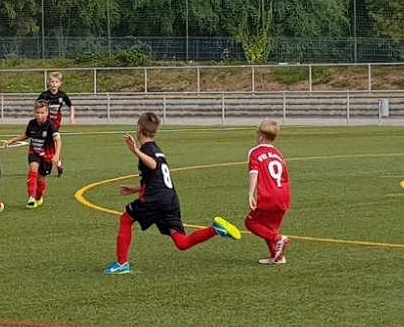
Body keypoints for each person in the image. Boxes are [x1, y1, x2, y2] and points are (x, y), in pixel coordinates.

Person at [103, 112, 240, 274]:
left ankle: (121, 263)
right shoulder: (157, 150)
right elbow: (158, 176)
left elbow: (153, 165)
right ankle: (215, 229)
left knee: (126, 219)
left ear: (138, 128)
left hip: (155, 199)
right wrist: (136, 188)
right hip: (169, 199)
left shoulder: (147, 150)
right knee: (182, 243)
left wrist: (135, 150)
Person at [245, 120, 292, 264]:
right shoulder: (278, 153)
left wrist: (250, 193)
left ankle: (278, 239)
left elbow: (254, 173)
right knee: (268, 226)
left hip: (268, 195)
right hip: (283, 194)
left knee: (250, 223)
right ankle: (278, 257)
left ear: (260, 137)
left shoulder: (255, 152)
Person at [3, 99, 61, 208]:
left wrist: (56, 155)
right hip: (34, 152)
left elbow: (58, 141)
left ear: (47, 113)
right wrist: (13, 140)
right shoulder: (32, 123)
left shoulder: (51, 125)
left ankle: (38, 197)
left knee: (41, 180)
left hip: (47, 155)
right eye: (37, 112)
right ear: (34, 112)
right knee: (33, 168)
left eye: (42, 113)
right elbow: (26, 135)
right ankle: (31, 197)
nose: (39, 115)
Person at [39, 71, 75, 177]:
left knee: (53, 144)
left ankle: (54, 165)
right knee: (47, 145)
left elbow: (71, 106)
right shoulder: (44, 95)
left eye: (56, 82)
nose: (54, 84)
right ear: (49, 83)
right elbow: (37, 106)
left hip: (55, 124)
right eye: (52, 82)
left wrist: (72, 117)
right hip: (45, 123)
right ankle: (57, 165)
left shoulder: (62, 95)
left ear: (60, 83)